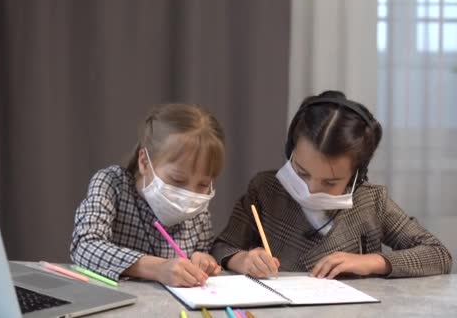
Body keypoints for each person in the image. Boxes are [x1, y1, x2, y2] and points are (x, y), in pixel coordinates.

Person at [212, 90, 452, 279]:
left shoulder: (371, 202)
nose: (312, 189)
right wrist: (241, 259)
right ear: (290, 151)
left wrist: (371, 262)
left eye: (330, 182)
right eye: (302, 173)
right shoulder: (265, 190)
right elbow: (222, 247)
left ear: (357, 175)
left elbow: (438, 255)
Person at [71, 103, 225, 286]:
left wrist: (205, 261)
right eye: (177, 180)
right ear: (144, 162)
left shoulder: (198, 212)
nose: (189, 195)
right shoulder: (112, 184)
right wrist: (158, 268)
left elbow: (203, 254)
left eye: (203, 184)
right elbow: (84, 246)